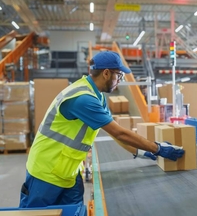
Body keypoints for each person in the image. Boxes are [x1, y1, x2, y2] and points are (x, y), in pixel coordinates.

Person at [19, 51, 184, 208]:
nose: (120, 80)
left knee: (75, 211)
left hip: (69, 171)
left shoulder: (97, 96)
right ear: (106, 73)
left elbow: (115, 134)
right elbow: (119, 133)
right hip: (45, 173)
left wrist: (144, 152)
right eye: (118, 75)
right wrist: (158, 148)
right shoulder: (83, 99)